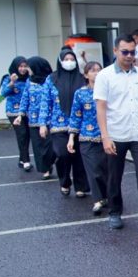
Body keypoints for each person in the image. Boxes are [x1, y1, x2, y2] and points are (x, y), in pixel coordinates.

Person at [94, 34, 138, 235]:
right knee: (114, 176)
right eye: (125, 52)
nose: (129, 56)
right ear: (115, 51)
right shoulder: (104, 76)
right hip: (116, 134)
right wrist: (105, 137)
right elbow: (101, 107)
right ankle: (114, 212)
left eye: (132, 52)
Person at [40, 48, 90, 196]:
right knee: (62, 154)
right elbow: (45, 102)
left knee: (79, 156)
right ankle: (65, 181)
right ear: (60, 61)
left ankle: (81, 186)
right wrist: (43, 124)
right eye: (66, 59)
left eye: (72, 59)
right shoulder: (51, 79)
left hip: (80, 124)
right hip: (59, 125)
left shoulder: (82, 78)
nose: (69, 62)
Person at [68, 61, 108, 216]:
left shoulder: (109, 90)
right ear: (86, 75)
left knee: (105, 170)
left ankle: (106, 196)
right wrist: (71, 137)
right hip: (87, 137)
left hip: (107, 136)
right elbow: (75, 116)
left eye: (99, 70)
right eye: (92, 70)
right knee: (93, 170)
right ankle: (97, 200)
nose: (96, 73)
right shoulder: (80, 93)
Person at [17, 57, 56, 179]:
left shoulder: (51, 80)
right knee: (38, 147)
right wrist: (20, 115)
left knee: (51, 145)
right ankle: (45, 169)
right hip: (34, 120)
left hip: (50, 119)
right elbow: (25, 98)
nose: (27, 70)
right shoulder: (29, 81)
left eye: (28, 67)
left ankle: (50, 162)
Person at [1, 56, 32, 171]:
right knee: (22, 133)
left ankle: (21, 159)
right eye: (20, 66)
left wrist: (32, 76)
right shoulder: (8, 78)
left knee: (26, 135)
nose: (23, 69)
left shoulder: (29, 78)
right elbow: (4, 93)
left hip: (27, 111)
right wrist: (12, 82)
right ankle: (26, 161)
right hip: (13, 111)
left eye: (25, 66)